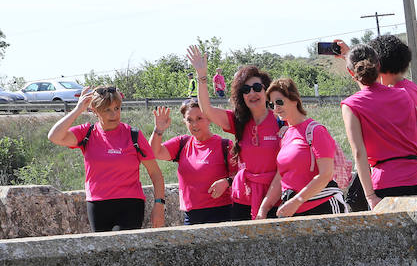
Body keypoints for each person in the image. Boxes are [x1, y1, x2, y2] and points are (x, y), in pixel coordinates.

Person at [47, 85, 167, 233]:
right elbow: (54, 136)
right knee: (105, 253)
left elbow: (156, 174)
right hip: (97, 204)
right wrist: (78, 109)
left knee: (122, 248)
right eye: (107, 110)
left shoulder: (133, 135)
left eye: (117, 108)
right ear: (95, 111)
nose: (114, 115)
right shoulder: (87, 133)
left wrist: (159, 205)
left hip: (130, 204)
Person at [188, 44, 282, 220]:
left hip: (275, 198)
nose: (252, 93)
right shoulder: (238, 121)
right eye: (246, 90)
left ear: (266, 90)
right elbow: (206, 110)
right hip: (243, 199)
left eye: (256, 87)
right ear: (241, 96)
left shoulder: (281, 121)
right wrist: (202, 77)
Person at [341, 45, 417, 210]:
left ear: (351, 73)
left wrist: (370, 197)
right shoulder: (404, 95)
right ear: (379, 65)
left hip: (387, 184)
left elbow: (359, 153)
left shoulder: (351, 105)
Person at [258, 78, 346, 218]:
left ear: (294, 100)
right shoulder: (286, 135)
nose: (276, 108)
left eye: (279, 102)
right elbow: (281, 176)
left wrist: (296, 201)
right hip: (294, 211)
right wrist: (264, 208)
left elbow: (325, 175)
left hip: (323, 207)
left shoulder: (316, 131)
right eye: (272, 104)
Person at [147, 100, 237, 225]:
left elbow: (238, 175)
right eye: (189, 120)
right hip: (191, 215)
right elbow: (153, 152)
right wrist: (158, 129)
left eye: (199, 118)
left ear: (209, 118)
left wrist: (226, 182)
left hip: (222, 213)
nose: (194, 124)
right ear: (184, 121)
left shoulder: (225, 145)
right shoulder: (182, 143)